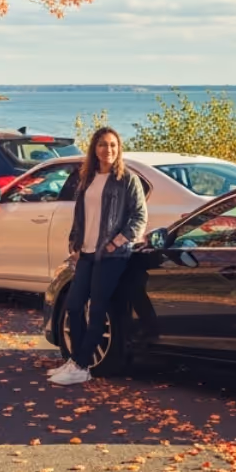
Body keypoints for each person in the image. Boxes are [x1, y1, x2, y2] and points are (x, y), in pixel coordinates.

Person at [50, 127, 148, 387]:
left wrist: (117, 242)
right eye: (103, 145)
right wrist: (75, 242)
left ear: (119, 148)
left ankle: (82, 366)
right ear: (95, 148)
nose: (108, 150)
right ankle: (74, 360)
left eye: (113, 145)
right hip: (86, 253)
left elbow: (139, 216)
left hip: (111, 256)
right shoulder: (88, 178)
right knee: (73, 305)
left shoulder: (127, 179)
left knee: (97, 310)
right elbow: (80, 215)